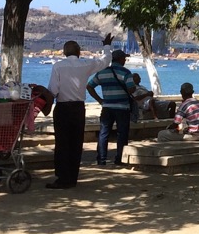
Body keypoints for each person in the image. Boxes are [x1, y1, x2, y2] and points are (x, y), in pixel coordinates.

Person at [45, 34, 114, 189]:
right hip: (78, 108)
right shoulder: (85, 65)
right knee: (76, 143)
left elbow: (53, 90)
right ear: (79, 52)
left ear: (64, 52)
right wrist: (107, 46)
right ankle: (72, 178)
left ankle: (62, 178)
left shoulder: (58, 66)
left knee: (62, 143)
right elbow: (105, 61)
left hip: (62, 108)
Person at [87, 49, 135, 167]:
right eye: (124, 58)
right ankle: (119, 159)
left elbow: (89, 86)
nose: (125, 60)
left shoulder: (102, 72)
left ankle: (101, 159)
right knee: (122, 133)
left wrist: (100, 100)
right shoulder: (126, 72)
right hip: (122, 107)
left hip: (107, 107)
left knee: (104, 133)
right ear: (120, 59)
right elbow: (131, 89)